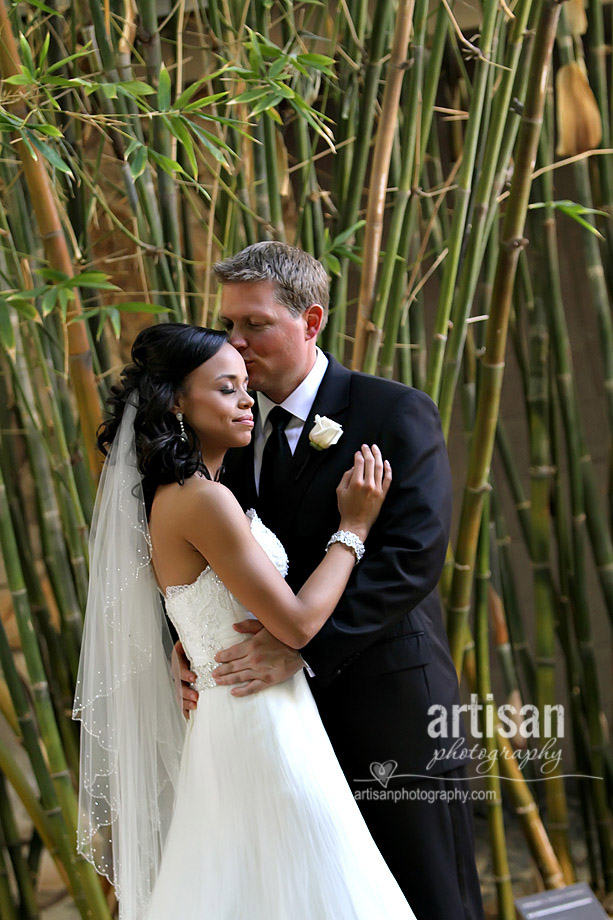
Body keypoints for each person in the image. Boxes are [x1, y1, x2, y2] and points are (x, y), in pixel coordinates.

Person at [174, 242, 485, 920]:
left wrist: (301, 647)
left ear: (310, 321)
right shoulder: (223, 426)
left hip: (387, 695)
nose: (236, 342)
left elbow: (411, 555)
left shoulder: (391, 411)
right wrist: (189, 642)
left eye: (254, 324)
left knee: (425, 892)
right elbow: (214, 557)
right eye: (228, 325)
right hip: (272, 717)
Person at [73, 322, 416, 920]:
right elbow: (300, 625)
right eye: (226, 389)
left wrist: (191, 648)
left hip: (242, 713)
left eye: (243, 388)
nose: (246, 401)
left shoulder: (186, 492)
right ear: (178, 403)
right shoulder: (201, 498)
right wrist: (354, 529)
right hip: (260, 724)